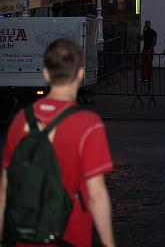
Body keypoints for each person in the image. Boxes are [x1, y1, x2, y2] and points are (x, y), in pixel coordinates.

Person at [0, 39, 115, 247]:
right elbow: (96, 194)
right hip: (69, 236)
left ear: (45, 73)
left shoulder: (20, 120)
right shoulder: (88, 124)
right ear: (80, 74)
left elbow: (4, 188)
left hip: (26, 236)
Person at [140, 20, 157, 85]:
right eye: (146, 25)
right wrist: (143, 30)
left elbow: (154, 42)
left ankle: (149, 77)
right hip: (145, 49)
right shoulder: (145, 32)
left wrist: (150, 49)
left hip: (149, 50)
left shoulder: (153, 32)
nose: (147, 26)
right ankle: (143, 77)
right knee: (143, 64)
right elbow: (141, 39)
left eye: (148, 24)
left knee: (149, 64)